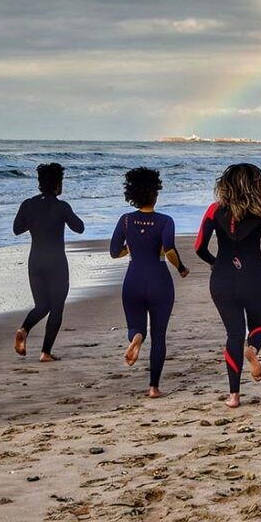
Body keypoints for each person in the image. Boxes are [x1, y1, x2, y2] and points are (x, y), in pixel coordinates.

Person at [195, 163, 261, 408]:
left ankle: (234, 396)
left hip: (222, 280)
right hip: (254, 277)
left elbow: (198, 248)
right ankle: (253, 350)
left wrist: (215, 263)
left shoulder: (214, 211)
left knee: (234, 334)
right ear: (257, 185)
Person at [110, 167, 189, 398]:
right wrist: (181, 268)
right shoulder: (165, 221)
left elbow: (115, 252)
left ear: (132, 193)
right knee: (159, 335)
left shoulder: (125, 220)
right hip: (159, 281)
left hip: (133, 279)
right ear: (156, 193)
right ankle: (153, 387)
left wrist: (132, 248)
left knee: (136, 326)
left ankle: (136, 338)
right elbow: (171, 250)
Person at [13, 163, 85, 362]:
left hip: (35, 261)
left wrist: (35, 221)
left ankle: (24, 329)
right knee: (57, 307)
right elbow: (79, 228)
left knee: (42, 305)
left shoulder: (28, 204)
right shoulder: (61, 206)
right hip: (56, 262)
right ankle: (45, 352)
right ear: (57, 184)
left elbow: (17, 229)